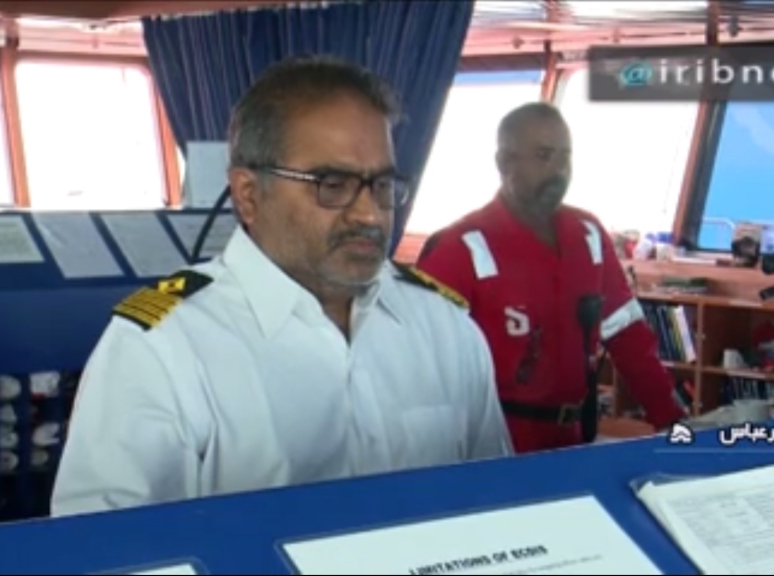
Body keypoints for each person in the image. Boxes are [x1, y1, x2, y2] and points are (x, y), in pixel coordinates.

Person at [51, 56, 512, 517]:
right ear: (249, 195)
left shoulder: (445, 328)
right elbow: (103, 554)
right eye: (332, 184)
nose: (370, 215)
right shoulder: (158, 350)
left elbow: (500, 508)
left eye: (383, 185)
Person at [416, 102, 685, 454]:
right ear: (504, 163)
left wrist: (671, 419)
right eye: (544, 156)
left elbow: (629, 337)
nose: (559, 170)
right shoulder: (458, 249)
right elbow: (422, 370)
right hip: (492, 447)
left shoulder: (588, 235)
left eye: (565, 157)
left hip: (573, 441)